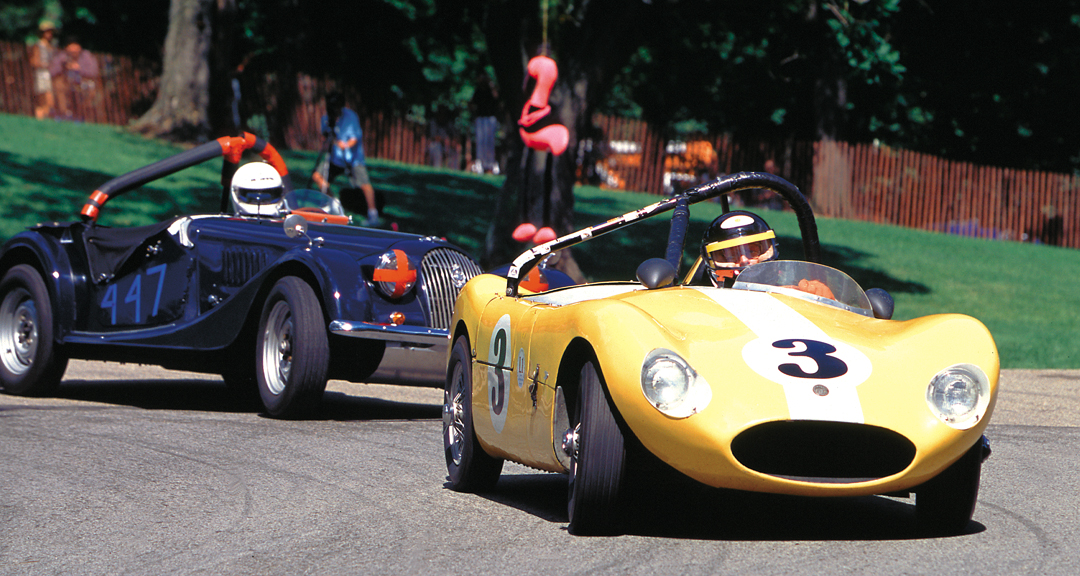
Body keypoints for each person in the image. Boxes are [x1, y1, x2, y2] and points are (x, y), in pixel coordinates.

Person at [699, 210, 835, 299]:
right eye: (730, 255)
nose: (744, 260)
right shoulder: (700, 301)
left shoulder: (793, 291)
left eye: (752, 251)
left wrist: (823, 298)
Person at [311, 92, 379, 226]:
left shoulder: (350, 117)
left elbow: (355, 138)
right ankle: (334, 204)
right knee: (317, 176)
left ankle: (373, 214)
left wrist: (346, 145)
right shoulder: (326, 118)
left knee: (364, 184)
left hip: (353, 158)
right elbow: (325, 135)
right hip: (335, 158)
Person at [49, 34, 99, 121]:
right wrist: (63, 66)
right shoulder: (61, 57)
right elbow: (52, 71)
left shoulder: (86, 56)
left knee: (88, 92)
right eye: (70, 48)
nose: (73, 50)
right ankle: (63, 113)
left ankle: (81, 115)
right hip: (67, 84)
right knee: (58, 85)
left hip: (83, 84)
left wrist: (80, 69)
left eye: (75, 47)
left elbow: (94, 72)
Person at [29, 20, 58, 120]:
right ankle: (40, 116)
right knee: (45, 99)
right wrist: (44, 65)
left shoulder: (51, 46)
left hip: (50, 73)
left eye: (50, 32)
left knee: (49, 100)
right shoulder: (39, 45)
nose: (49, 34)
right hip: (41, 73)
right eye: (47, 32)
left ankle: (41, 117)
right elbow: (34, 61)